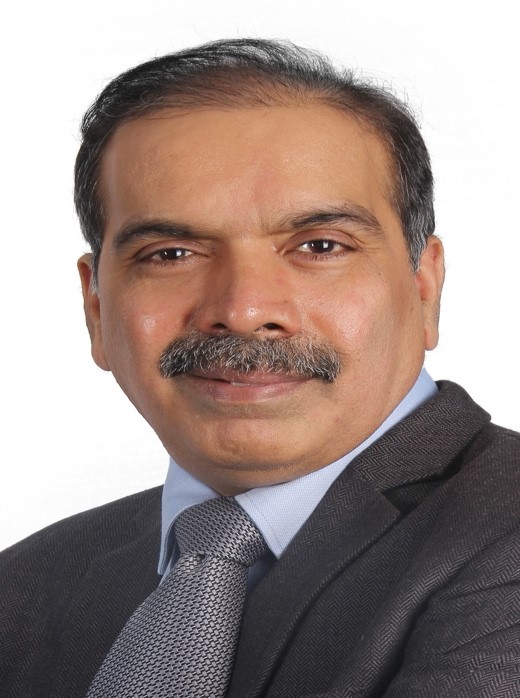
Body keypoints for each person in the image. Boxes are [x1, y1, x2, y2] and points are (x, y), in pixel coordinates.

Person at [1, 38, 519, 698]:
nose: (244, 310)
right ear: (96, 307)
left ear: (424, 288)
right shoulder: (21, 589)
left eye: (320, 246)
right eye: (170, 254)